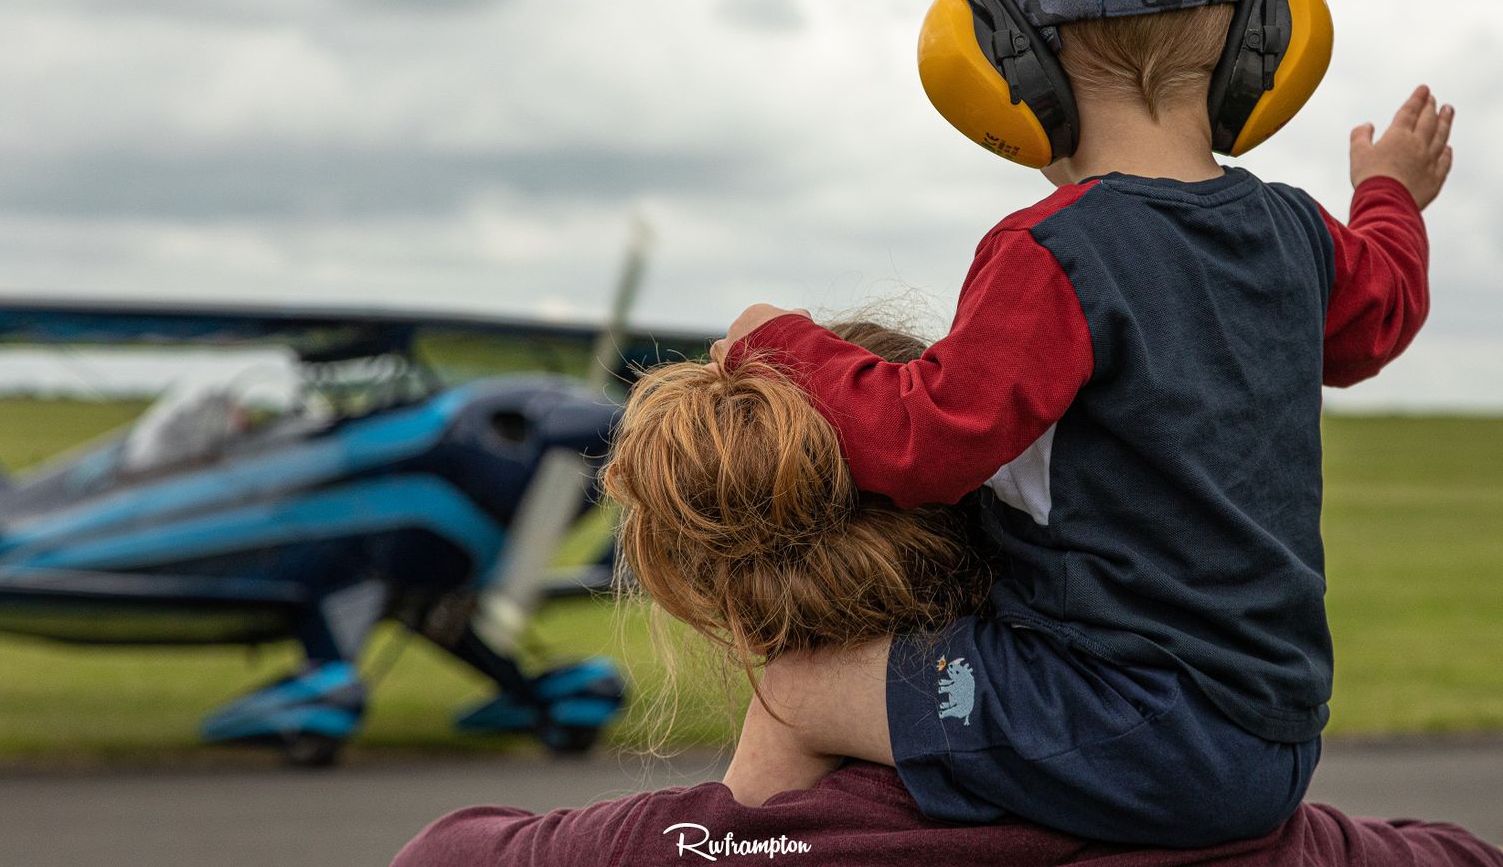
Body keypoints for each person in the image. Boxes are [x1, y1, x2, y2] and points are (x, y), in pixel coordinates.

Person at [708, 0, 1456, 848]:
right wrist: (1390, 196)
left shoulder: (1052, 255)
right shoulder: (1295, 230)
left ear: (1006, 52)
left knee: (801, 692)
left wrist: (780, 346)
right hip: (1273, 736)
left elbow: (928, 443)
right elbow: (1382, 315)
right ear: (1257, 41)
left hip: (1122, 721)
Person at [391, 337, 1500, 867]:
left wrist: (750, 792)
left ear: (719, 594)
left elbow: (442, 853)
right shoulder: (1238, 820)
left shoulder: (638, 850)